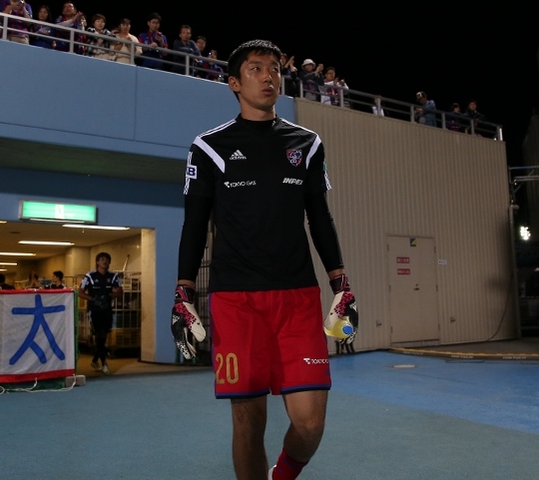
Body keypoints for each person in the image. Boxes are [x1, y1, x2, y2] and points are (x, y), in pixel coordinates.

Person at [172, 39, 358, 480]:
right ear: (234, 83)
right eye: (255, 68)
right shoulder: (208, 147)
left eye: (274, 68)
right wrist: (183, 293)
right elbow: (194, 224)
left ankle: (282, 475)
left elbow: (320, 216)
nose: (268, 76)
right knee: (248, 422)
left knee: (310, 422)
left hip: (297, 297)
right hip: (236, 301)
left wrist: (341, 283)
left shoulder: (307, 144)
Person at [78, 252, 122, 375]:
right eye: (102, 259)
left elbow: (120, 291)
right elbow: (80, 292)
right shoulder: (90, 276)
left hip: (107, 309)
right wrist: (93, 299)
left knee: (104, 336)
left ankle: (95, 359)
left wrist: (109, 297)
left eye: (107, 259)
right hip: (94, 310)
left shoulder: (113, 276)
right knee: (99, 335)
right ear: (97, 262)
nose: (104, 261)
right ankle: (104, 363)